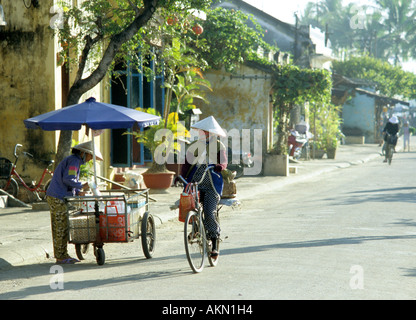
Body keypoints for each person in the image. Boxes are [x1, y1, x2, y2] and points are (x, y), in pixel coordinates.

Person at [46, 141, 103, 264]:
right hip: (58, 197)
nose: (89, 159)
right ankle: (61, 256)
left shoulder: (74, 161)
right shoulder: (74, 161)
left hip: (57, 196)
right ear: (83, 153)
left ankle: (62, 254)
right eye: (89, 156)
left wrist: (78, 190)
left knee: (59, 227)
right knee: (61, 227)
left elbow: (71, 180)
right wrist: (82, 186)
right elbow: (68, 179)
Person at [180, 116, 227, 258]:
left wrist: (220, 167)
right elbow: (186, 164)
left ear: (212, 133)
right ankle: (195, 228)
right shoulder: (194, 145)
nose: (204, 134)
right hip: (195, 183)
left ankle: (214, 242)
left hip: (212, 184)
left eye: (206, 132)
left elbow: (224, 162)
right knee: (189, 207)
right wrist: (181, 177)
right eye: (202, 131)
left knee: (209, 211)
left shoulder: (219, 146)